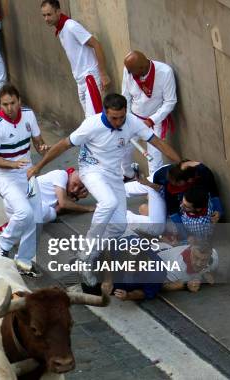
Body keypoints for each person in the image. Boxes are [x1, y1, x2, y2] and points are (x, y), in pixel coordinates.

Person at [28, 94, 181, 287]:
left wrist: (181, 163)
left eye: (122, 117)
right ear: (105, 112)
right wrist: (38, 166)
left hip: (113, 175)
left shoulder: (132, 122)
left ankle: (90, 256)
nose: (118, 122)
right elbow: (62, 146)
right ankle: (85, 254)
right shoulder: (91, 126)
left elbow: (157, 142)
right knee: (108, 203)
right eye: (113, 118)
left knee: (118, 226)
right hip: (91, 171)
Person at [0, 84, 49, 276]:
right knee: (24, 213)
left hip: (27, 172)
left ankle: (23, 261)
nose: (9, 108)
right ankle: (4, 243)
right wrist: (12, 165)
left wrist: (43, 148)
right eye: (5, 104)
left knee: (36, 217)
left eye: (12, 103)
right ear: (0, 104)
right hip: (5, 174)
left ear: (19, 101)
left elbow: (38, 141)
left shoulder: (29, 115)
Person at [40, 0, 110, 118]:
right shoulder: (61, 29)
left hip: (90, 77)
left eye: (49, 14)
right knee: (91, 120)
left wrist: (103, 74)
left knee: (93, 120)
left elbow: (96, 44)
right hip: (80, 81)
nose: (46, 18)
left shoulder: (71, 26)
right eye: (44, 15)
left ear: (58, 11)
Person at [121, 51, 177, 179]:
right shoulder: (129, 69)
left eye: (131, 71)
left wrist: (152, 120)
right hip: (133, 117)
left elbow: (170, 102)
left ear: (141, 67)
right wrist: (126, 118)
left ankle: (153, 188)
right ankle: (128, 174)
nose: (128, 73)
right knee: (122, 147)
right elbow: (125, 95)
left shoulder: (165, 72)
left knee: (154, 159)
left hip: (155, 121)